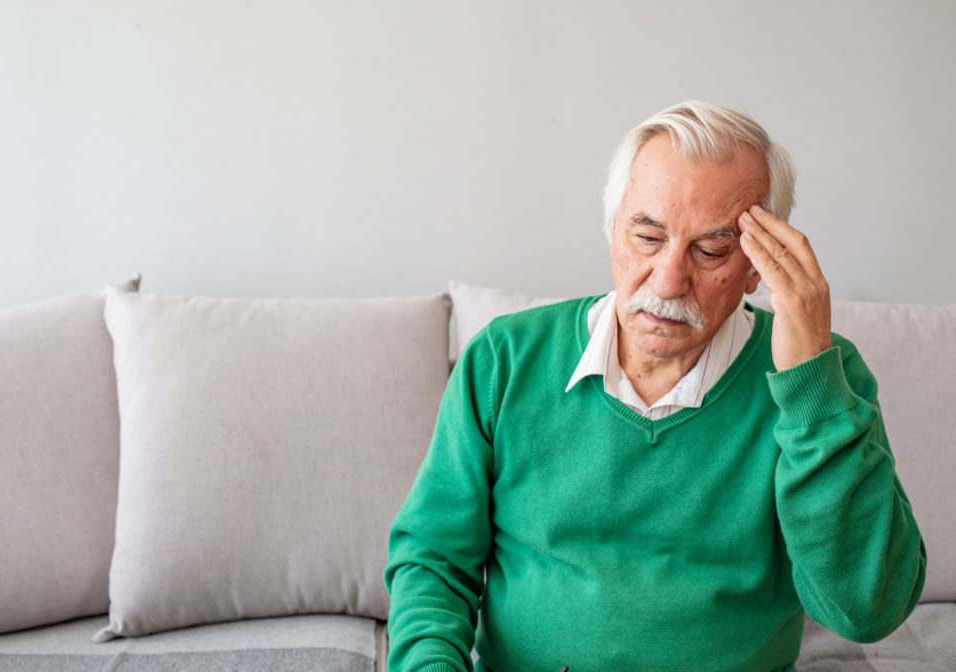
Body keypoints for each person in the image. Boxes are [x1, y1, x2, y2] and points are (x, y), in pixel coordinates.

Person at [384, 101, 926, 672]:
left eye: (711, 250)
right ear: (611, 230)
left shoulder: (824, 377)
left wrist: (810, 382)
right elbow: (434, 560)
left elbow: (866, 611)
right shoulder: (505, 359)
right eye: (646, 237)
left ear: (756, 268)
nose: (668, 280)